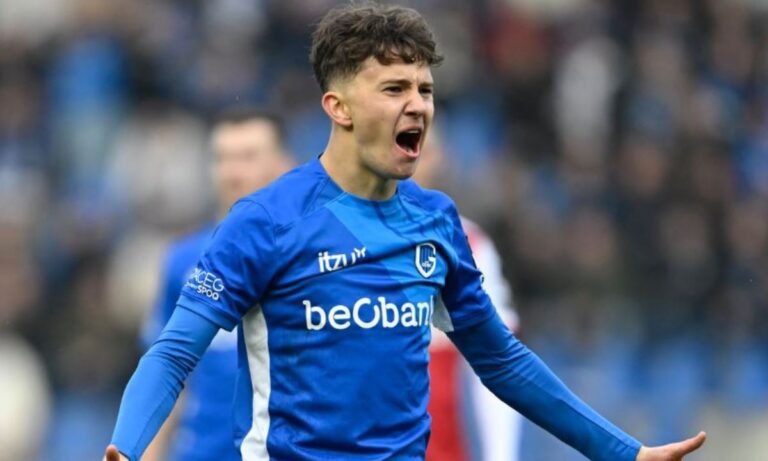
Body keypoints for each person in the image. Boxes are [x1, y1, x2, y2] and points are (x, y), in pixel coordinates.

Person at [104, 4, 706, 461]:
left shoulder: (436, 221)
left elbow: (500, 360)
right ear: (339, 107)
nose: (417, 105)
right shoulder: (265, 221)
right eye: (394, 89)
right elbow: (174, 352)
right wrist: (126, 449)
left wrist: (622, 452)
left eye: (424, 90)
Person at [140, 108, 292, 461]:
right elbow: (167, 377)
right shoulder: (184, 262)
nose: (233, 172)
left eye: (248, 157)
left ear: (284, 165)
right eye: (223, 158)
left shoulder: (316, 259)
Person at [412, 133, 522, 461]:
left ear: (439, 158)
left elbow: (500, 362)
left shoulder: (467, 245)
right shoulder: (335, 244)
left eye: (420, 148)